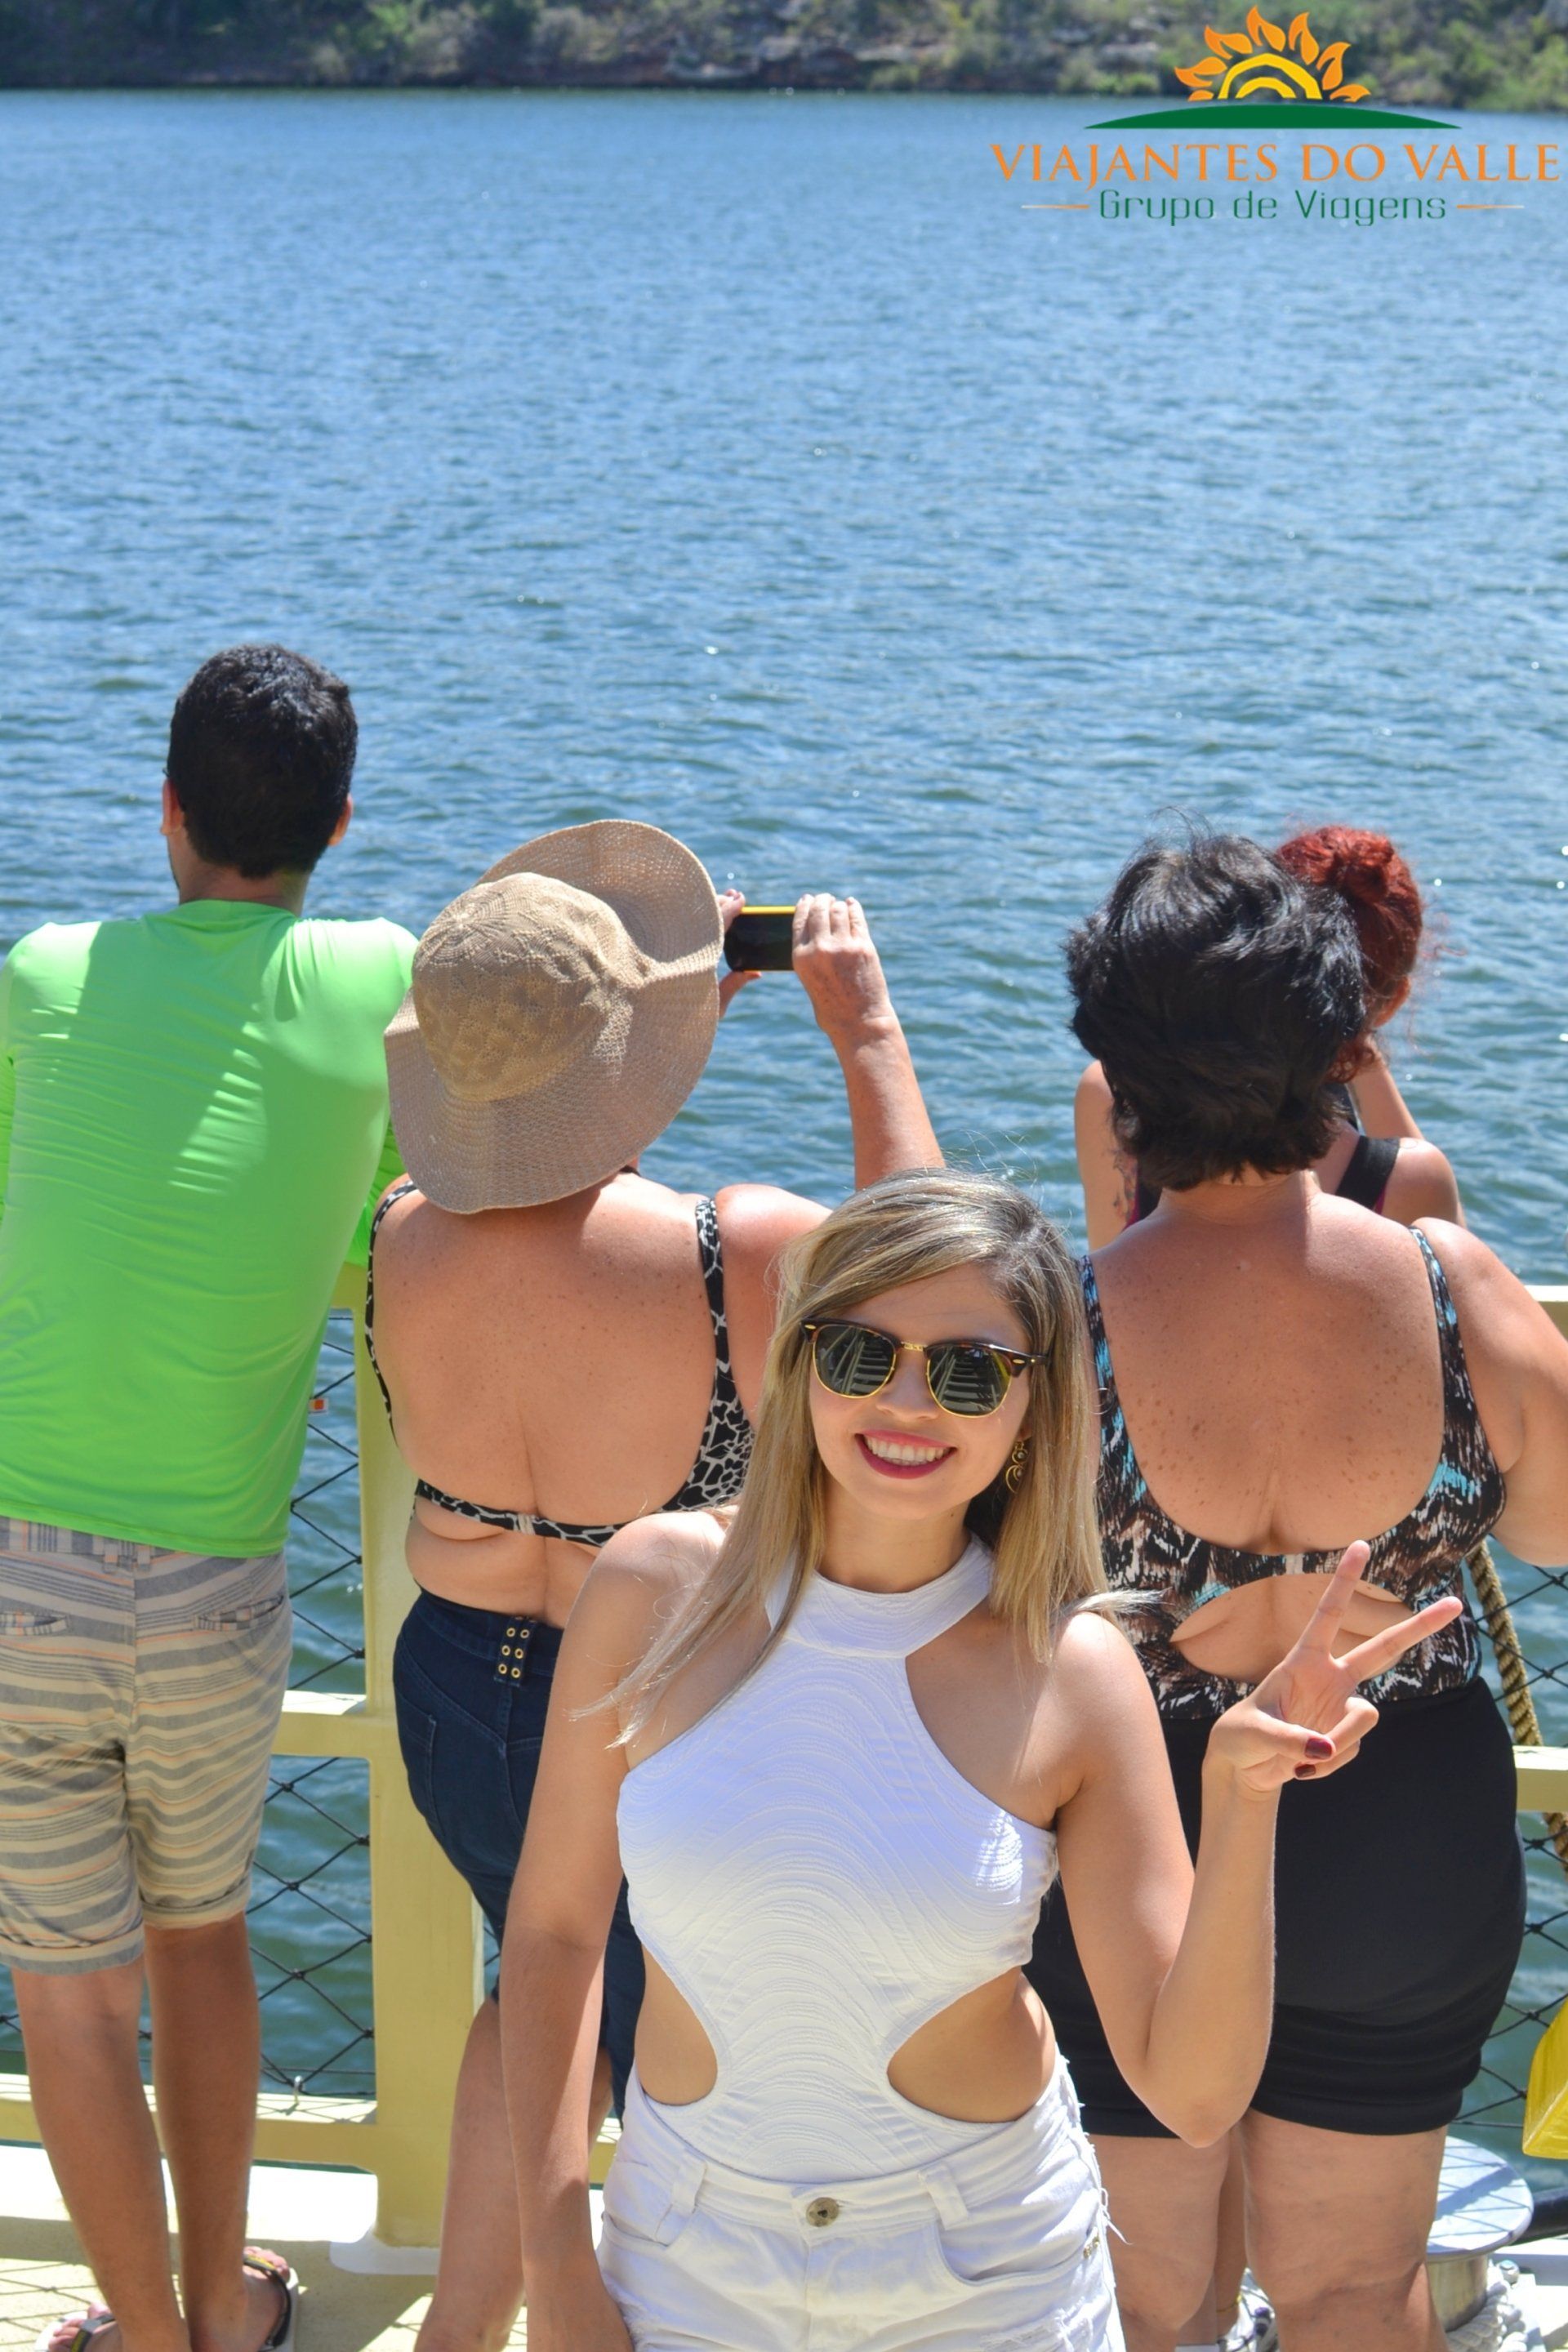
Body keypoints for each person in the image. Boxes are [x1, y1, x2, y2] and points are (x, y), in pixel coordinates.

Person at [501, 1168, 1456, 2352]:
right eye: (862, 1355)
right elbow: (552, 1936)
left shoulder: (1073, 1673)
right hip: (681, 2255)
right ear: (800, 1365)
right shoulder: (650, 1591)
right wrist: (555, 2266)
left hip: (985, 2281)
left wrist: (1243, 1796)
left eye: (969, 1372)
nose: (908, 1405)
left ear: (1033, 1411)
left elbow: (1194, 2092)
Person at [367, 823, 941, 2352]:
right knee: (687, 2029)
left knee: (533, 1997)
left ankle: (459, 2331)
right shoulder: (731, 1250)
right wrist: (866, 1034)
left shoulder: (402, 1232)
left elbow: (540, 1219)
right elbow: (944, 1285)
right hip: (658, 1700)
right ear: (627, 1060)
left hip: (457, 1679)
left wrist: (627, 1069)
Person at [1028, 835, 1568, 2352]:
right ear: (1338, 1048)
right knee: (1352, 2295)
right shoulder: (1452, 1284)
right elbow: (1553, 1523)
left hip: (1137, 1837)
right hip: (1403, 1837)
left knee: (1146, 2306)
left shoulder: (1059, 1323)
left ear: (1119, 1073)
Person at [0, 646, 416, 2352]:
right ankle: (226, 2304)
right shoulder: (378, 983)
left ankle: (145, 2335)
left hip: (20, 1573)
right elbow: (465, 1139)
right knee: (204, 1944)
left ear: (163, 809)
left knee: (69, 1999)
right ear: (340, 824)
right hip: (214, 1590)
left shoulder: (43, 971)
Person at [1073, 823, 1461, 1249]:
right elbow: (1448, 1255)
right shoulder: (1411, 1180)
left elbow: (1106, 1270)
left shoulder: (1110, 1095)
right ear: (1392, 1001)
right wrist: (1355, 1037)